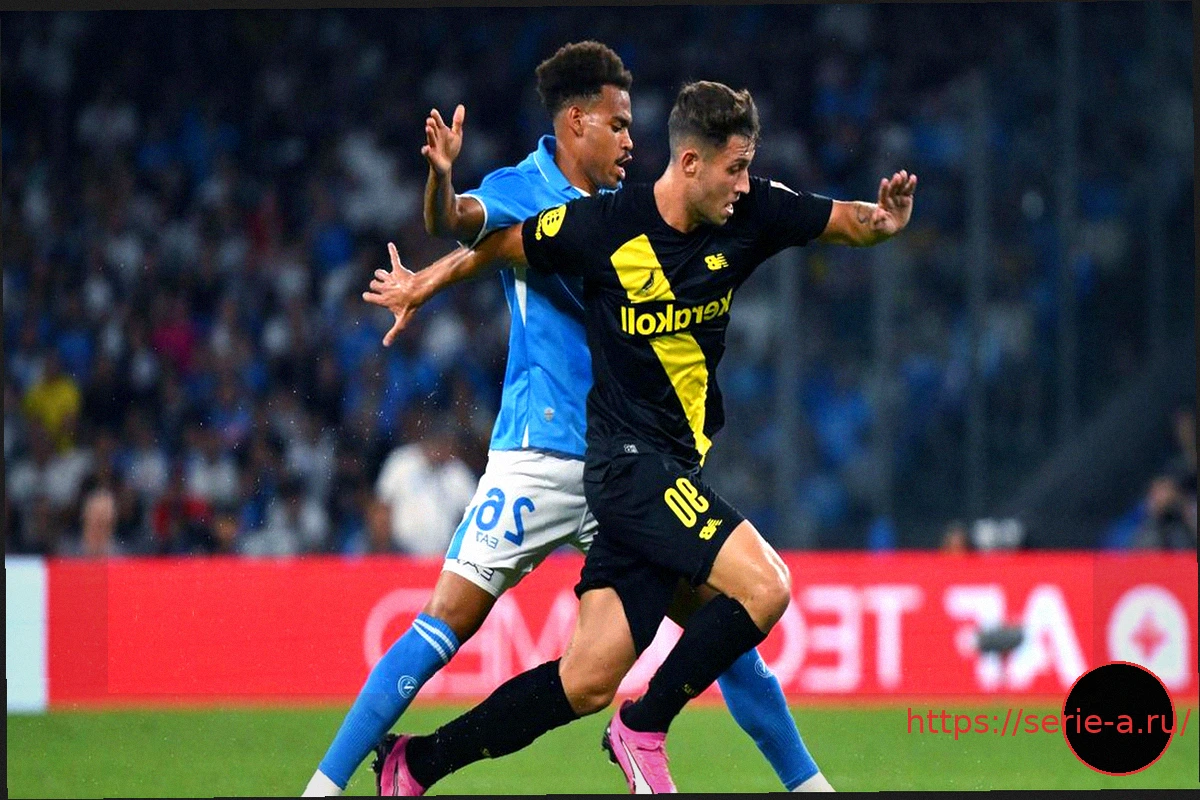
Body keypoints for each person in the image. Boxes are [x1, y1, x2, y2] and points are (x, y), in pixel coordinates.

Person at [305, 44, 832, 796]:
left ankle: (808, 786)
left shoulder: (640, 213)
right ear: (576, 122)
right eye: (618, 125)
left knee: (721, 642)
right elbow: (459, 225)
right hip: (542, 455)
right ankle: (325, 787)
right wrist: (441, 181)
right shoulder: (522, 189)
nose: (630, 141)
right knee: (444, 623)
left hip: (630, 467)